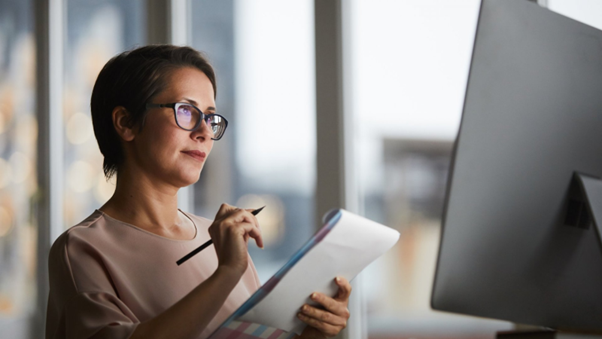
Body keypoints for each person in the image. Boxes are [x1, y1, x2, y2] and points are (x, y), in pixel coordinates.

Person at [45, 45, 351, 339]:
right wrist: (227, 272)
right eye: (187, 111)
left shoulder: (219, 237)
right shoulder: (83, 248)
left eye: (210, 117)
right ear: (126, 123)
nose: (205, 132)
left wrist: (311, 333)